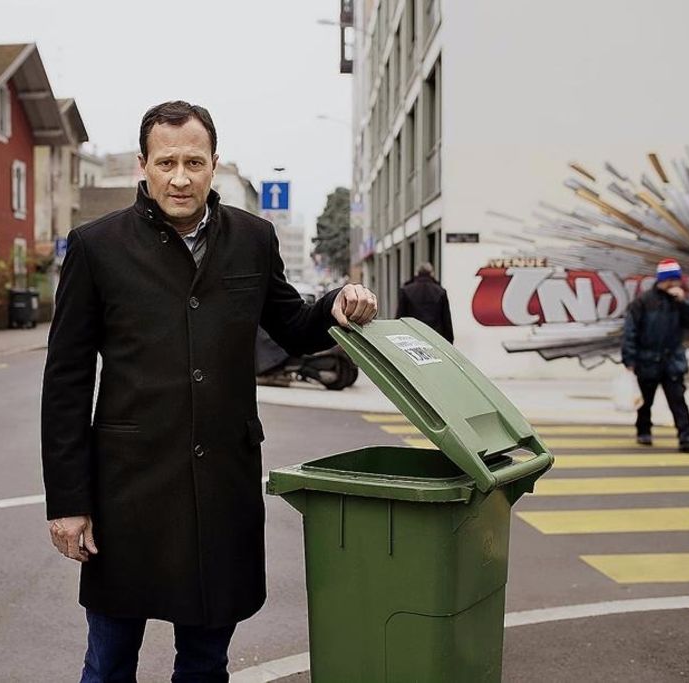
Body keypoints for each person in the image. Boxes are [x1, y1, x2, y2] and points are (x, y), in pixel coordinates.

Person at [41, 101, 377, 682]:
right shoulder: (96, 247)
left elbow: (293, 326)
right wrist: (68, 502)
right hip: (128, 492)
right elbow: (66, 381)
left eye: (193, 162)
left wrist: (337, 304)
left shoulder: (253, 239)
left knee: (205, 663)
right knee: (109, 662)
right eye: (166, 162)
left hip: (221, 487)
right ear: (143, 166)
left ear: (213, 165)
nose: (180, 178)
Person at [622, 259, 689, 452]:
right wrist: (629, 359)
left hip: (672, 361)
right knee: (645, 400)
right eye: (672, 279)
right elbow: (630, 331)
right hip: (647, 360)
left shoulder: (679, 301)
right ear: (663, 280)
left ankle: (686, 437)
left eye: (677, 279)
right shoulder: (643, 301)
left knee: (678, 400)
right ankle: (643, 431)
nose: (675, 283)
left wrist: (683, 302)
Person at [395, 262, 454, 343]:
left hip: (413, 337)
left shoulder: (406, 291)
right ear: (432, 273)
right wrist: (449, 341)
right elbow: (446, 320)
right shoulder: (440, 292)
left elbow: (400, 316)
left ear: (417, 273)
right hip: (435, 337)